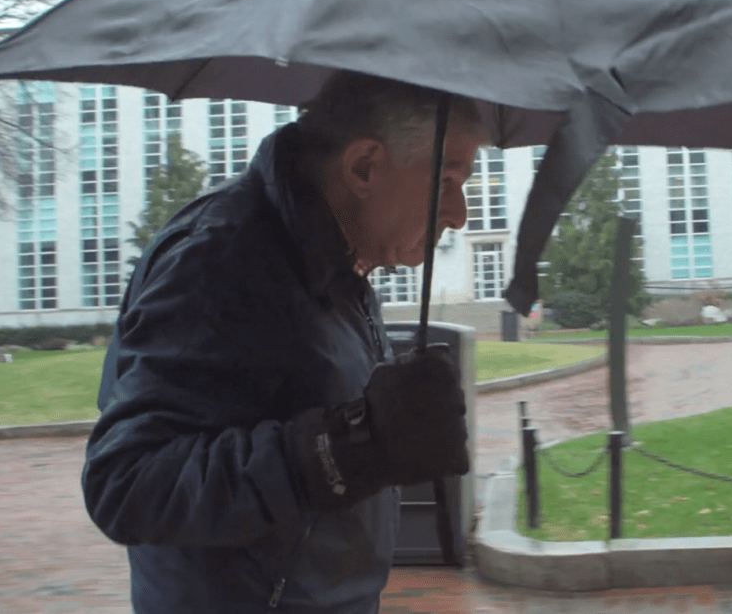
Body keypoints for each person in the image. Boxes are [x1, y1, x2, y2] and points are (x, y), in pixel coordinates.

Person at [81, 71, 487, 613]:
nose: (459, 215)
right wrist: (346, 449)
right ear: (364, 166)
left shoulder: (340, 262)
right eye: (447, 180)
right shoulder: (223, 258)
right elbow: (126, 483)